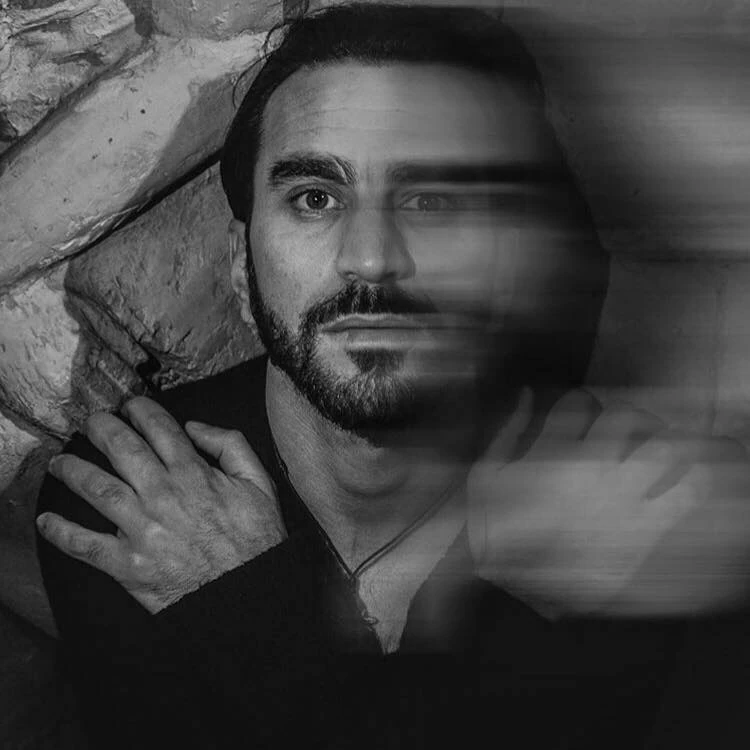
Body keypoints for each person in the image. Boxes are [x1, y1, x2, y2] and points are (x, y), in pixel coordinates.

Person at [33, 4, 750, 749]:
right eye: (315, 198)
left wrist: (238, 607)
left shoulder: (664, 523)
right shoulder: (138, 498)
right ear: (242, 269)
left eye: (433, 201)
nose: (372, 259)